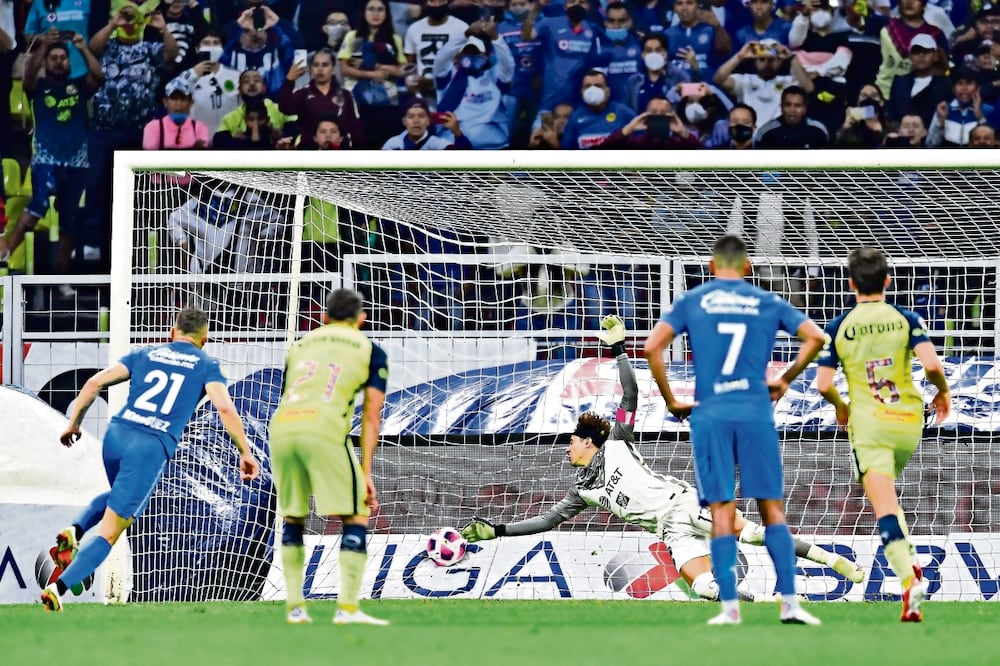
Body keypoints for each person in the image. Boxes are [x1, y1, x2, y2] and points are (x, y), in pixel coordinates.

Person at [462, 314, 864, 605]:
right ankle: (763, 604)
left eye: (571, 442)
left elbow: (630, 393)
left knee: (755, 535)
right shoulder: (581, 492)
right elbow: (545, 522)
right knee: (705, 588)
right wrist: (497, 530)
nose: (566, 450)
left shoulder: (616, 440)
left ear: (588, 442)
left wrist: (619, 349)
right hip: (670, 532)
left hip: (684, 504)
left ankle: (833, 560)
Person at [643, 235, 827, 625]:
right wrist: (785, 379)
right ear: (747, 267)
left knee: (723, 511)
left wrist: (672, 399)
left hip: (711, 415)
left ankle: (729, 608)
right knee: (771, 509)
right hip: (755, 412)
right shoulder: (766, 301)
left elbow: (651, 347)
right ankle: (790, 605)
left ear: (712, 267)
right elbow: (816, 337)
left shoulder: (693, 301)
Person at [40, 307, 260, 612]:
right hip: (148, 448)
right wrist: (245, 451)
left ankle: (74, 531)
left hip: (116, 436)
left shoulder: (146, 353)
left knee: (119, 499)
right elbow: (224, 408)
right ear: (204, 339)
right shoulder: (205, 364)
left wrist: (73, 424)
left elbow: (93, 383)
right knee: (111, 530)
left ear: (172, 332)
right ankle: (57, 588)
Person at [815, 247, 951, 622]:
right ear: (887, 281)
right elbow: (932, 365)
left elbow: (823, 383)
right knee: (891, 497)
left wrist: (841, 407)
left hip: (870, 425)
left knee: (885, 507)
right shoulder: (905, 318)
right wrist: (943, 391)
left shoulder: (840, 326)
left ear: (850, 284)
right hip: (908, 422)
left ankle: (910, 580)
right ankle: (911, 566)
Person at [269, 288, 389, 626]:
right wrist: (365, 473)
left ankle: (295, 609)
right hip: (324, 428)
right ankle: (347, 609)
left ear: (323, 317)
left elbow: (288, 392)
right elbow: (371, 417)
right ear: (361, 319)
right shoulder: (369, 349)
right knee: (356, 513)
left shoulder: (300, 346)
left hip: (282, 428)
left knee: (293, 516)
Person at [0, 30, 103, 293]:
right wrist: (45, 44)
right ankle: (5, 254)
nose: (58, 62)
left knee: (69, 221)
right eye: (53, 58)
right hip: (46, 161)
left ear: (69, 62)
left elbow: (99, 77)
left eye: (62, 58)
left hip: (77, 163)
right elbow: (29, 74)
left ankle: (62, 280)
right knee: (37, 207)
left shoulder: (80, 86)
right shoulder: (37, 87)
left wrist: (82, 48)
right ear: (46, 61)